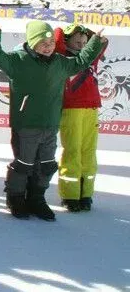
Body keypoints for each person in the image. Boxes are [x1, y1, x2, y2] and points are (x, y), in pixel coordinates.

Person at [0, 21, 104, 221]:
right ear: (31, 42)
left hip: (50, 124)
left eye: (50, 42)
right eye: (43, 42)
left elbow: (82, 61)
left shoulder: (60, 62)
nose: (48, 46)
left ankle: (37, 199)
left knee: (46, 164)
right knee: (24, 164)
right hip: (26, 124)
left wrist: (95, 42)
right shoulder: (18, 60)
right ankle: (16, 198)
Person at [54, 24, 108, 212]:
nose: (81, 44)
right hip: (71, 110)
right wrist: (69, 29)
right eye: (77, 41)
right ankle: (70, 194)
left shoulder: (90, 56)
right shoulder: (62, 57)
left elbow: (102, 43)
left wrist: (92, 36)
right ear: (67, 40)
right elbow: (57, 38)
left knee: (89, 152)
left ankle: (86, 194)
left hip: (91, 108)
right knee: (73, 151)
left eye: (84, 42)